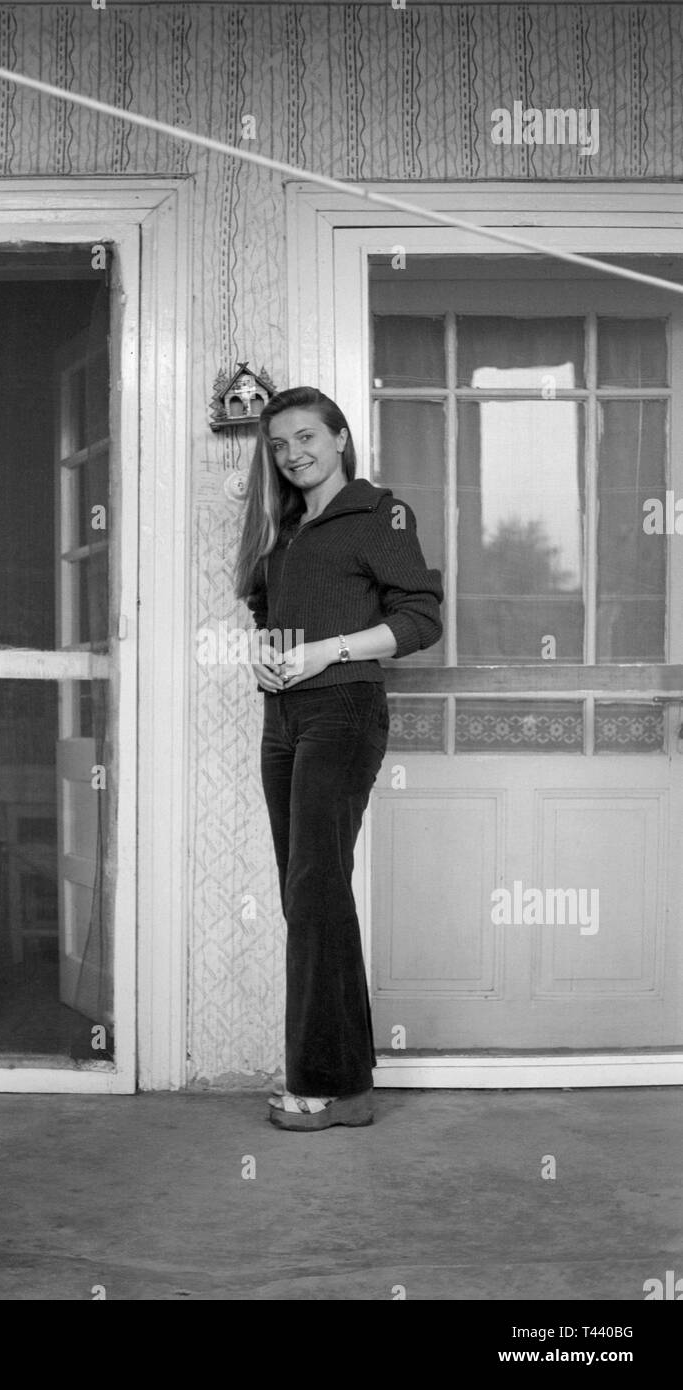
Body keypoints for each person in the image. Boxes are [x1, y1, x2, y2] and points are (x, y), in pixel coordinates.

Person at [233, 386, 444, 1131]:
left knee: (315, 894)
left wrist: (326, 651)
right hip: (283, 718)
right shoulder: (287, 529)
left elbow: (421, 619)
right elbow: (268, 610)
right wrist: (269, 654)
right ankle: (349, 1084)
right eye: (280, 444)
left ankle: (319, 1085)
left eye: (306, 437)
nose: (293, 454)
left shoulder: (379, 514)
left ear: (340, 437)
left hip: (345, 713)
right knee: (309, 898)